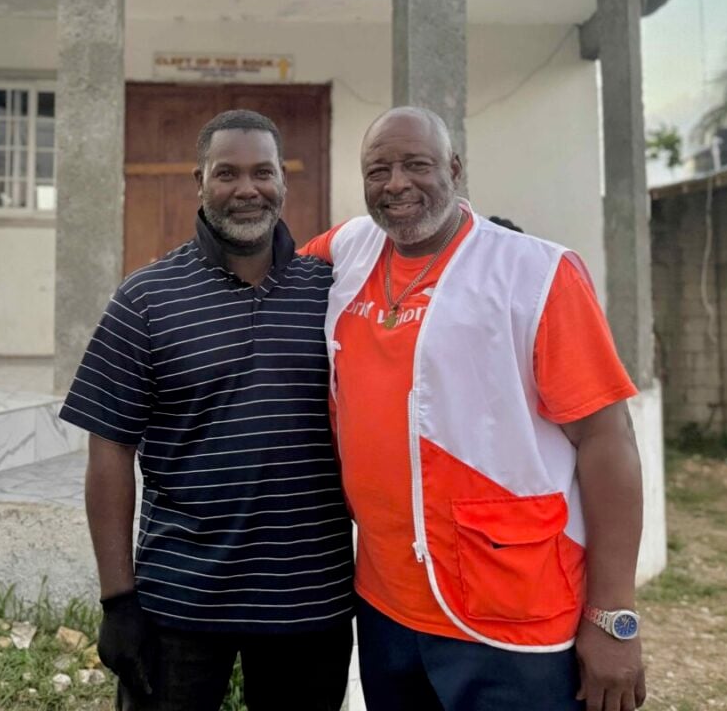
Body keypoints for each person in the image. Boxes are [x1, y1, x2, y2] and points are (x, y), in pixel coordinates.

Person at [300, 106, 647, 711]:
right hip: (385, 608)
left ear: (455, 169)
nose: (397, 183)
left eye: (417, 164)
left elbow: (607, 439)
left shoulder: (537, 272)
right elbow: (270, 273)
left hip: (515, 613)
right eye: (378, 169)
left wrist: (614, 616)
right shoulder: (351, 248)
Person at [59, 109, 354, 711]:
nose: (247, 190)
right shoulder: (146, 298)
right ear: (199, 181)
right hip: (179, 605)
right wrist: (118, 602)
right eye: (227, 174)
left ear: (283, 182)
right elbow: (110, 449)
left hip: (310, 602)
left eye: (262, 173)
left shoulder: (332, 293)